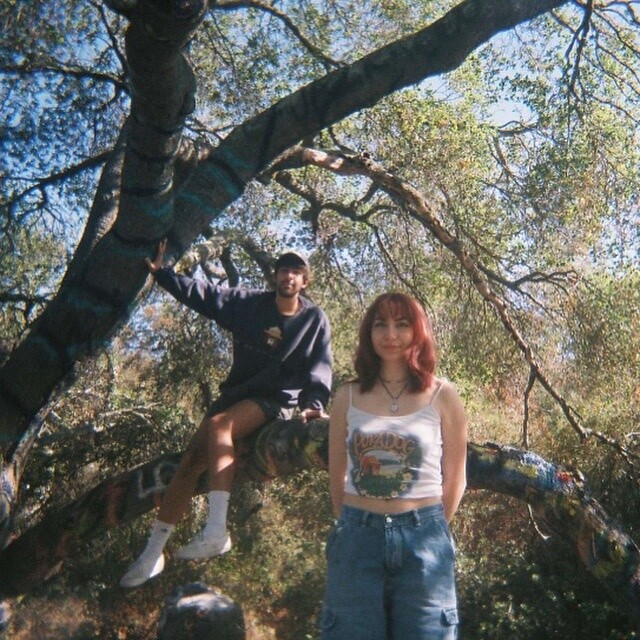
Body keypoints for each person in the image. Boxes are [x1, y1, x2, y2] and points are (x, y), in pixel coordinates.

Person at [121, 240, 332, 588]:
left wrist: (314, 405)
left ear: (304, 281)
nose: (289, 276)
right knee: (189, 463)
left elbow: (320, 369)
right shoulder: (250, 304)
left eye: (297, 272)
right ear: (275, 276)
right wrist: (164, 276)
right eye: (284, 270)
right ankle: (152, 554)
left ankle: (217, 530)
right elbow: (205, 295)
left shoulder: (313, 319)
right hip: (236, 395)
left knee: (220, 426)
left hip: (274, 401)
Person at [320, 292, 467, 640]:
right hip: (356, 540)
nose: (390, 335)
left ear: (418, 332)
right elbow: (337, 476)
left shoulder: (443, 395)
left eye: (402, 325)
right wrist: (355, 523)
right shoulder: (347, 396)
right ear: (368, 333)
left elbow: (456, 479)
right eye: (380, 325)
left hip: (425, 542)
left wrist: (428, 527)